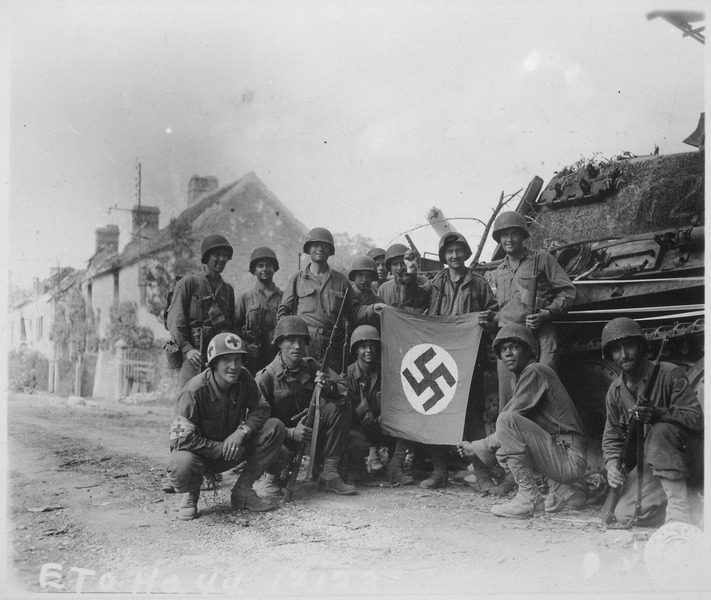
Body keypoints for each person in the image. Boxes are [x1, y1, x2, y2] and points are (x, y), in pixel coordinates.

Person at [397, 232, 498, 489]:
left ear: (465, 253)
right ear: (444, 256)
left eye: (459, 251)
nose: (454, 256)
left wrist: (488, 322)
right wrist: (409, 273)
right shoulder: (435, 283)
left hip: (468, 358)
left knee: (473, 416)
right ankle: (440, 471)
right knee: (437, 413)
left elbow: (494, 313)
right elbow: (412, 300)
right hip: (441, 356)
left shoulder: (479, 284)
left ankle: (483, 475)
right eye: (449, 252)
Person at [459, 325, 587, 518]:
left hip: (569, 457)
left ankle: (528, 499)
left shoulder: (535, 371)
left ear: (529, 350)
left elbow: (508, 422)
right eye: (503, 350)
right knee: (507, 441)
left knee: (506, 421)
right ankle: (562, 491)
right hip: (564, 453)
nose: (508, 354)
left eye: (514, 347)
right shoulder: (519, 379)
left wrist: (477, 446)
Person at [166, 332, 286, 520]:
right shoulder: (193, 392)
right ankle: (190, 495)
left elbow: (262, 408)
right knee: (180, 462)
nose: (234, 366)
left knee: (275, 427)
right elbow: (179, 439)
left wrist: (242, 431)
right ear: (213, 363)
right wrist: (220, 448)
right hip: (202, 456)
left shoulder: (244, 377)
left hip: (234, 449)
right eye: (227, 360)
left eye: (238, 359)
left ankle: (243, 491)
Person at [601, 317, 703, 525]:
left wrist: (659, 414)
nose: (624, 355)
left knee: (661, 430)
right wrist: (612, 465)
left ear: (640, 346)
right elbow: (611, 436)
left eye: (628, 346)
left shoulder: (669, 374)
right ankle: (692, 506)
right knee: (625, 515)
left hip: (689, 459)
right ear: (610, 355)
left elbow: (697, 419)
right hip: (651, 464)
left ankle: (678, 513)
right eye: (616, 350)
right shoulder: (616, 391)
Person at [255, 315, 357, 497]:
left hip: (311, 432)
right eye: (291, 340)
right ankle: (271, 478)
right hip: (281, 438)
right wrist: (290, 432)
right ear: (279, 343)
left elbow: (344, 388)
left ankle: (329, 473)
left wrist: (329, 387)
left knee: (339, 406)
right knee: (276, 479)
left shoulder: (311, 366)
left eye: (301, 341)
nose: (297, 346)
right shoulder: (266, 377)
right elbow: (256, 422)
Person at [488, 211, 576, 410]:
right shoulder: (497, 272)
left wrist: (547, 313)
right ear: (499, 239)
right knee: (509, 403)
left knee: (543, 397)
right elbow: (502, 310)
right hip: (509, 343)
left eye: (514, 234)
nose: (509, 239)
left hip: (539, 337)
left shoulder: (541, 259)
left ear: (523, 236)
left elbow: (568, 292)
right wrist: (491, 318)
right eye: (504, 235)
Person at [277, 227, 384, 374]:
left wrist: (373, 308)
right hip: (304, 344)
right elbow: (283, 313)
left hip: (332, 345)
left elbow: (354, 312)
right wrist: (290, 340)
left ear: (330, 250)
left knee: (332, 387)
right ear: (309, 248)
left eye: (325, 245)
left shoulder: (341, 281)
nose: (320, 249)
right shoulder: (297, 278)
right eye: (315, 245)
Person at [167, 234, 238, 389]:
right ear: (206, 257)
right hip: (194, 356)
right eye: (216, 254)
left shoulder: (228, 290)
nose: (221, 259)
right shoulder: (188, 283)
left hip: (219, 357)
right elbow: (175, 320)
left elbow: (231, 326)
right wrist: (188, 350)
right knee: (189, 400)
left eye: (225, 255)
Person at [343, 325, 398, 483]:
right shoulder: (348, 375)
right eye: (363, 347)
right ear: (355, 350)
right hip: (358, 428)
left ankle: (394, 466)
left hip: (381, 425)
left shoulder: (383, 372)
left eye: (372, 346)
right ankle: (363, 461)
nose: (368, 350)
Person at [235, 247, 283, 376]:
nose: (264, 269)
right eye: (260, 266)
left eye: (268, 265)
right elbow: (234, 329)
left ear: (274, 268)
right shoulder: (245, 297)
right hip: (252, 358)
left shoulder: (284, 297)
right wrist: (246, 347)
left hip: (276, 356)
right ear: (254, 270)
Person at [378, 243, 427, 314]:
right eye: (395, 264)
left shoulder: (424, 283)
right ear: (390, 268)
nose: (399, 267)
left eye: (403, 263)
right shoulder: (383, 289)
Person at [348, 255, 384, 331]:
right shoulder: (346, 297)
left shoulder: (378, 301)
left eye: (368, 275)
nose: (364, 279)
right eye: (360, 275)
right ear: (354, 276)